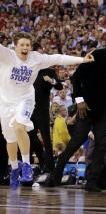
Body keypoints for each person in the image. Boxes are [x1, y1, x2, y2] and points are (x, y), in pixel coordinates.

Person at [0, 32, 94, 190]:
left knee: (19, 126)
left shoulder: (36, 58)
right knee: (10, 140)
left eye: (27, 45)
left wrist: (82, 59)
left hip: (25, 99)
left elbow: (58, 58)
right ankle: (15, 168)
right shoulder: (7, 55)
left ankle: (26, 166)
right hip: (5, 102)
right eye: (22, 45)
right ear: (15, 46)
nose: (25, 48)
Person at [47, 30, 106, 192]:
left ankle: (92, 181)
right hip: (87, 109)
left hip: (105, 111)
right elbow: (77, 78)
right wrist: (79, 100)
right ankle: (54, 176)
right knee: (75, 143)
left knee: (101, 147)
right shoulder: (96, 54)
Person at [29, 43, 63, 173]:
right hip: (29, 110)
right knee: (30, 137)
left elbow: (59, 86)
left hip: (42, 111)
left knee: (46, 139)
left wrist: (51, 81)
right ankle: (40, 162)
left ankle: (50, 168)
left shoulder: (49, 71)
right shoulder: (29, 70)